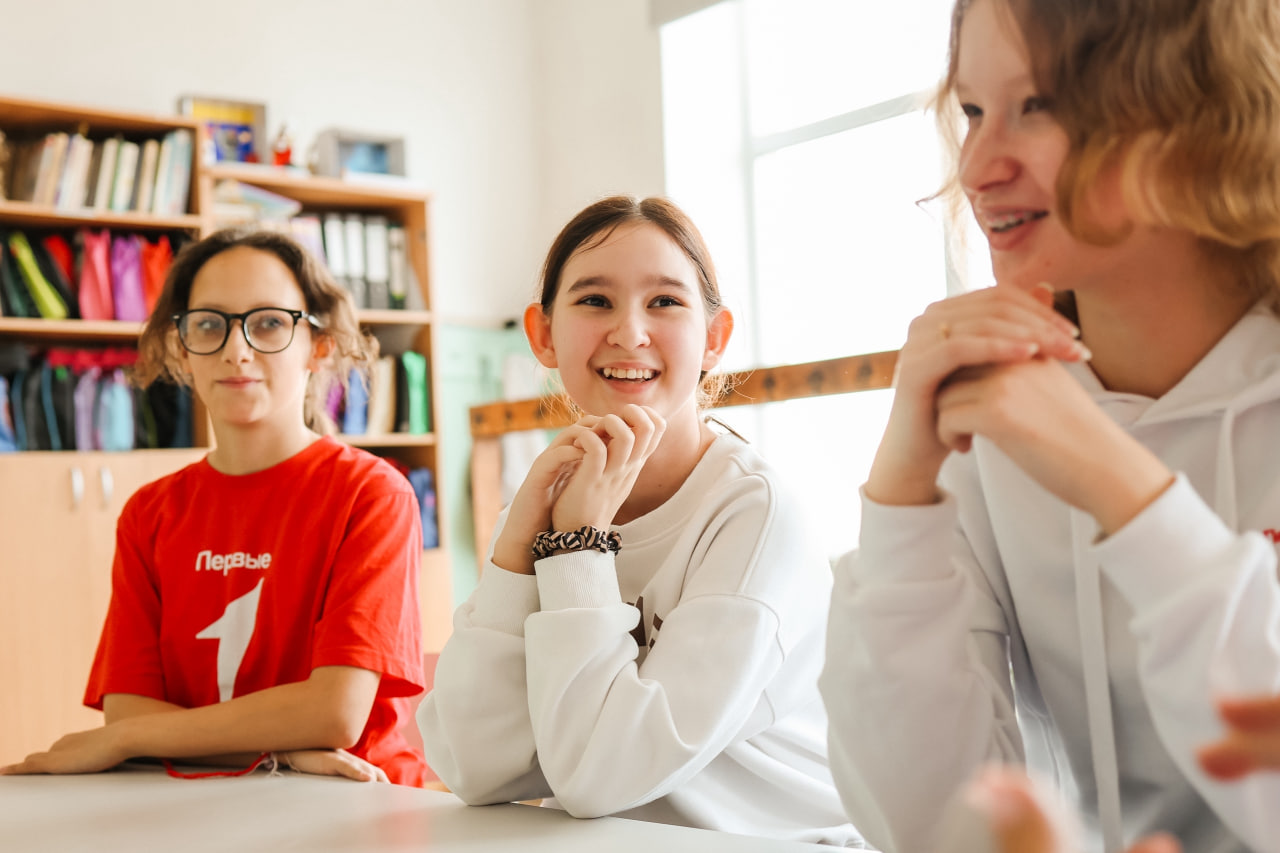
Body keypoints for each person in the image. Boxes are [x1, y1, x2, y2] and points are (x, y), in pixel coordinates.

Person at [818, 0, 1280, 850]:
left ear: (1197, 110)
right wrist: (899, 497)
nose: (979, 166)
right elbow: (919, 824)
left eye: (1041, 104)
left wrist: (1125, 488)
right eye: (971, 111)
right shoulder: (996, 406)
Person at [418, 196, 865, 846]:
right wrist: (518, 548)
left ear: (715, 338)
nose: (629, 332)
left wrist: (577, 548)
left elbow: (600, 776)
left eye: (665, 302)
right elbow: (472, 764)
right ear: (543, 334)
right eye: (595, 300)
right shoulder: (545, 502)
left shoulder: (755, 514)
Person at [0, 228, 428, 786]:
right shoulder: (150, 513)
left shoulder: (371, 493)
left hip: (355, 800)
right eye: (209, 323)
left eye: (269, 322)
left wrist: (127, 741)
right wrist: (282, 754)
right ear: (182, 347)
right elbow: (128, 708)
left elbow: (334, 713)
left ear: (318, 347)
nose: (237, 349)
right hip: (204, 799)